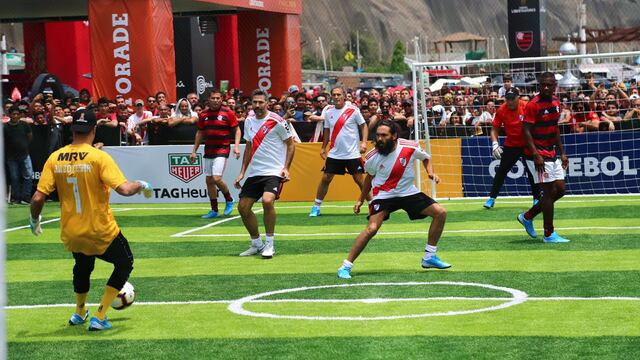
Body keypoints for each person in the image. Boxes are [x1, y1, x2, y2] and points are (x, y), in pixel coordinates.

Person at [28, 109, 153, 331]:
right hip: (100, 230)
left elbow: (38, 197)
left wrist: (35, 219)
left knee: (83, 266)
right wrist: (141, 184)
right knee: (125, 263)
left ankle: (79, 312)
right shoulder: (99, 157)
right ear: (94, 129)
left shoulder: (55, 157)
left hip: (72, 232)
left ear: (72, 129)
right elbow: (124, 189)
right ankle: (100, 315)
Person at [337, 120, 450, 279]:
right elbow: (369, 178)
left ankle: (429, 257)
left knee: (441, 213)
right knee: (372, 228)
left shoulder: (410, 146)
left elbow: (426, 158)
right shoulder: (372, 156)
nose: (380, 139)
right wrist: (360, 200)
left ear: (394, 136)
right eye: (377, 136)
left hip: (407, 192)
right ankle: (345, 266)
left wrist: (430, 172)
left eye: (384, 135)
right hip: (384, 195)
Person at [234, 90, 295, 259]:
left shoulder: (277, 121)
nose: (258, 105)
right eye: (255, 102)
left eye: (261, 102)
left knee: (268, 201)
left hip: (273, 171)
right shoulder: (248, 121)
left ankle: (270, 244)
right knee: (243, 208)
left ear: (267, 103)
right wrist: (242, 173)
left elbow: (291, 145)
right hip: (255, 173)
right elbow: (249, 147)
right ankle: (256, 243)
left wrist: (286, 167)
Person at [517, 72, 570, 243]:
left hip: (552, 152)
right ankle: (549, 234)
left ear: (555, 85)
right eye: (542, 85)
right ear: (539, 85)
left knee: (560, 190)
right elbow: (525, 130)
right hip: (537, 155)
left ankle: (528, 216)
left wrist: (562, 152)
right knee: (548, 193)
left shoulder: (556, 102)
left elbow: (555, 128)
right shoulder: (533, 105)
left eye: (549, 85)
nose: (545, 87)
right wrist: (535, 154)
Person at [309, 87, 369, 217]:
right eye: (334, 95)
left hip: (352, 153)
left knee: (360, 180)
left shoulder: (353, 110)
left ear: (344, 96)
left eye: (339, 94)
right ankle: (316, 207)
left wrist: (364, 142)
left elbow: (363, 126)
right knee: (326, 178)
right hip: (334, 153)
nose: (336, 97)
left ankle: (373, 205)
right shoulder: (329, 112)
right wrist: (323, 147)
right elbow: (326, 131)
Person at [484, 88, 540, 209]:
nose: (509, 102)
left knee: (532, 172)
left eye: (512, 99)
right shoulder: (501, 110)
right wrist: (495, 144)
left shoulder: (526, 107)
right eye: (507, 99)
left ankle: (536, 198)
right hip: (511, 144)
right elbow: (494, 129)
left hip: (527, 143)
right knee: (501, 171)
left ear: (518, 98)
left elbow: (536, 125)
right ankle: (491, 198)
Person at [191, 90, 241, 218]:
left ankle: (229, 199)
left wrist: (236, 146)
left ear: (221, 99)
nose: (215, 100)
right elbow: (200, 133)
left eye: (218, 98)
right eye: (213, 98)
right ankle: (214, 210)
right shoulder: (203, 114)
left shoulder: (228, 113)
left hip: (222, 149)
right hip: (209, 150)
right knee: (209, 181)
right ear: (209, 99)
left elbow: (237, 130)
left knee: (216, 178)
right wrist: (194, 151)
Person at [4, 106, 34, 204]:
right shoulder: (5, 127)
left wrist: (24, 146)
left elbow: (30, 137)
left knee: (28, 176)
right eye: (13, 114)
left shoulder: (24, 125)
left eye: (17, 114)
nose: (16, 116)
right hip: (11, 157)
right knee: (14, 177)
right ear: (10, 115)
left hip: (24, 154)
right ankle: (16, 197)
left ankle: (26, 197)